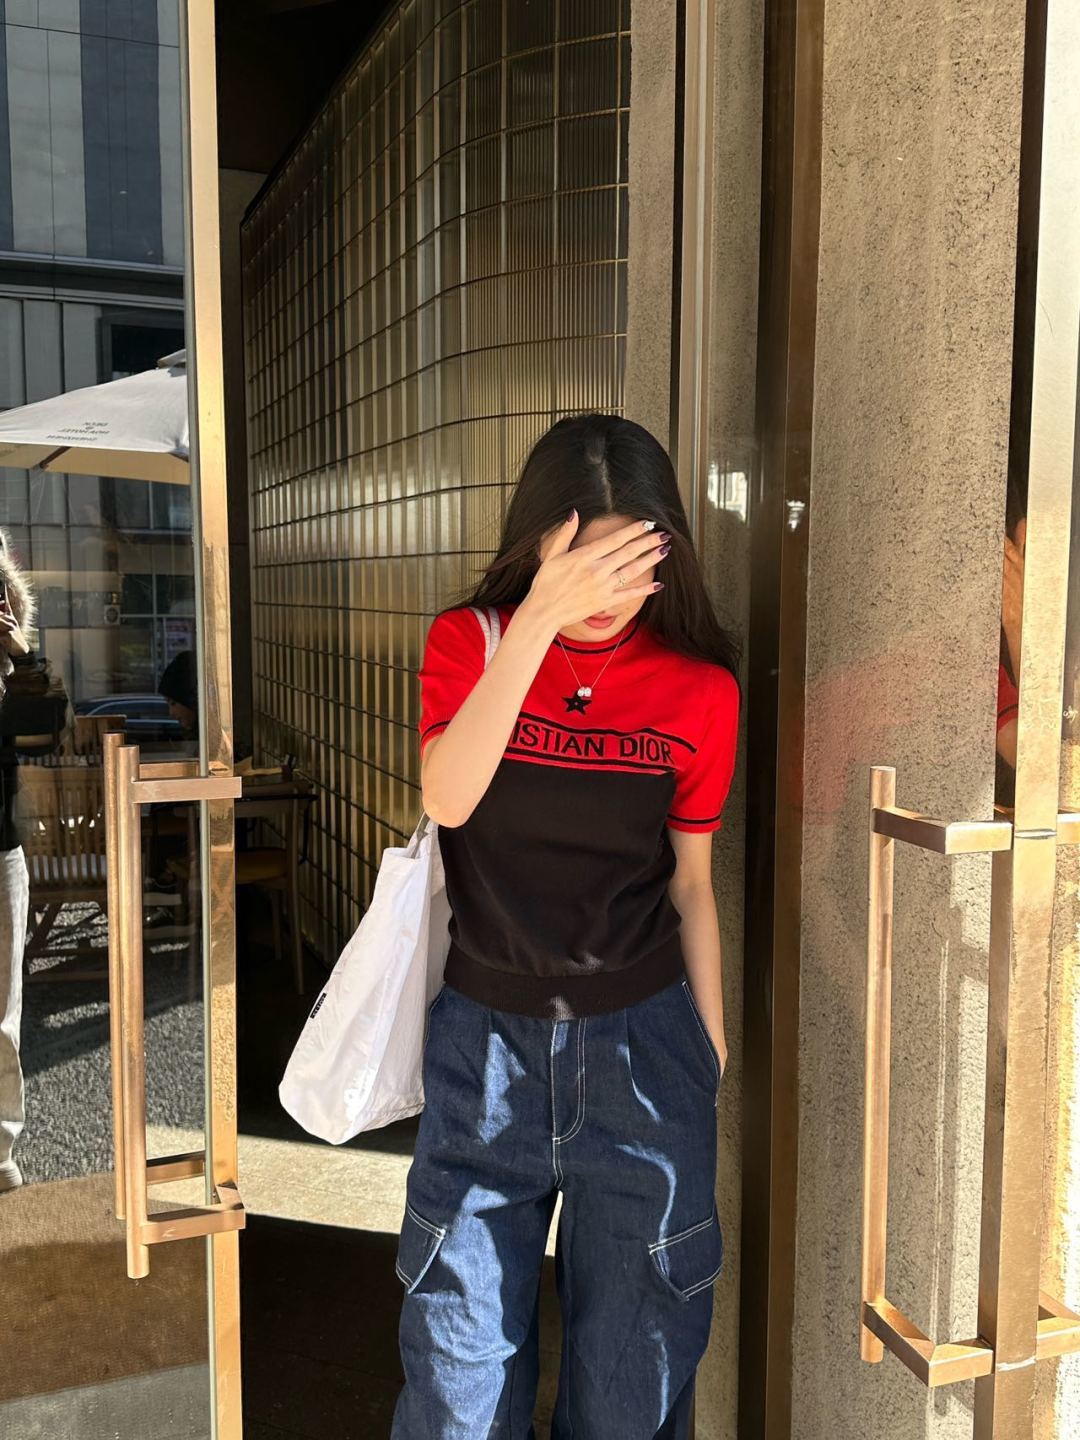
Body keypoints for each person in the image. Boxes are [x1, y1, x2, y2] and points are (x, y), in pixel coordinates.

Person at [392, 414, 741, 1439]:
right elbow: (449, 796)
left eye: (631, 564)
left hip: (647, 1050)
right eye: (585, 562)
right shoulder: (469, 644)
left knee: (632, 1391)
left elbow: (691, 884)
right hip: (485, 1052)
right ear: (539, 544)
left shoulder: (700, 691)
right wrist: (537, 622)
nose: (607, 591)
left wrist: (709, 1054)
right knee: (457, 1388)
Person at [0, 528, 36, 1193]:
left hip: (2, 848)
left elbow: (42, 728)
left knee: (3, 1016)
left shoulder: (11, 663)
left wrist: (15, 653)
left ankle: (0, 1154)